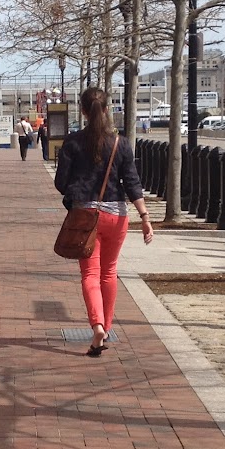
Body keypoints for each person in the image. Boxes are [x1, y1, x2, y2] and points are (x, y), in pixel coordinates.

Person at [54, 87, 153, 356]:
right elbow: (132, 183)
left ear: (84, 112)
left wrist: (77, 193)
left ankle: (96, 324)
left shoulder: (73, 143)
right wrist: (144, 217)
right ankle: (105, 330)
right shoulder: (120, 144)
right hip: (117, 217)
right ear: (107, 109)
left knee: (90, 274)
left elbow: (61, 183)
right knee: (109, 273)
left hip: (86, 218)